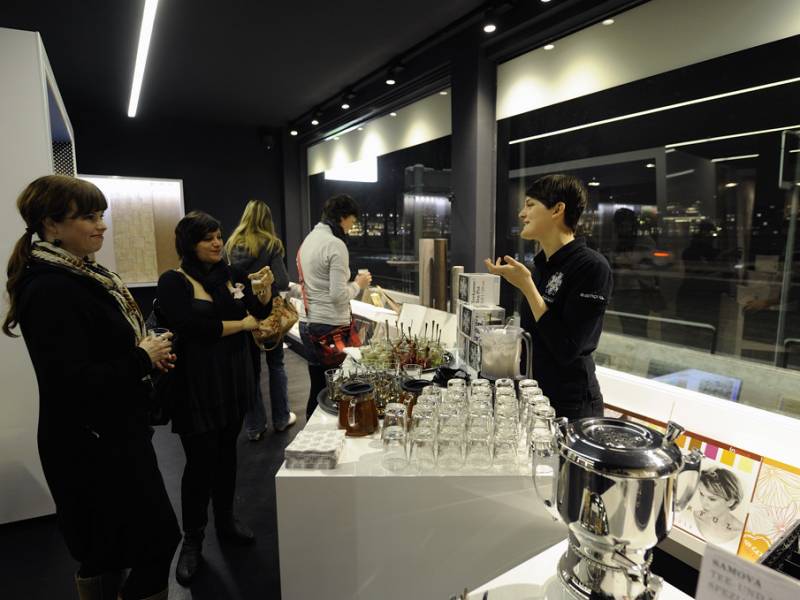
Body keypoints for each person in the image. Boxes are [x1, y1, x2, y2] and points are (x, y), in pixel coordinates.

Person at [2, 175, 179, 600]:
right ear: (51, 224)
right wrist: (142, 357)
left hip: (108, 435)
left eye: (100, 215)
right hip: (91, 446)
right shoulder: (50, 288)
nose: (101, 225)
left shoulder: (83, 277)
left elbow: (95, 356)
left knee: (109, 552)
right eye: (88, 217)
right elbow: (72, 381)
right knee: (149, 544)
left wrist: (145, 357)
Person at [156, 211, 274, 586]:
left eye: (219, 235)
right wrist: (241, 324)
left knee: (226, 456)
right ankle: (192, 540)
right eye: (208, 238)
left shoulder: (233, 274)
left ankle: (226, 521)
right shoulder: (174, 281)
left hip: (234, 380)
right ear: (189, 243)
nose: (217, 243)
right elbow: (191, 327)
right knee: (199, 465)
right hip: (195, 385)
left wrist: (264, 293)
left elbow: (260, 312)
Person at [486, 174, 613, 420]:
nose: (522, 214)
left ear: (557, 209)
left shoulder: (592, 267)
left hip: (570, 405)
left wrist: (527, 287)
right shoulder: (541, 266)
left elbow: (566, 349)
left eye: (530, 205)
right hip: (533, 394)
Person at [226, 199, 296, 440]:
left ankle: (255, 427)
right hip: (268, 312)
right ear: (267, 219)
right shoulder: (272, 244)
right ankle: (281, 418)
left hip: (243, 313)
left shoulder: (231, 243)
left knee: (251, 369)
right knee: (276, 364)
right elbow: (283, 280)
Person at [298, 194, 372, 420]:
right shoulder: (335, 244)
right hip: (329, 327)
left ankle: (311, 433)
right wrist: (358, 285)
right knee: (336, 391)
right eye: (352, 221)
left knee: (318, 386)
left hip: (308, 323)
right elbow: (338, 296)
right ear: (342, 217)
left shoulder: (309, 240)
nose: (351, 227)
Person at [692, 467, 744, 544]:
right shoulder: (692, 517)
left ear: (731, 502)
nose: (703, 502)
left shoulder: (741, 532)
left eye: (712, 499)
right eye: (701, 494)